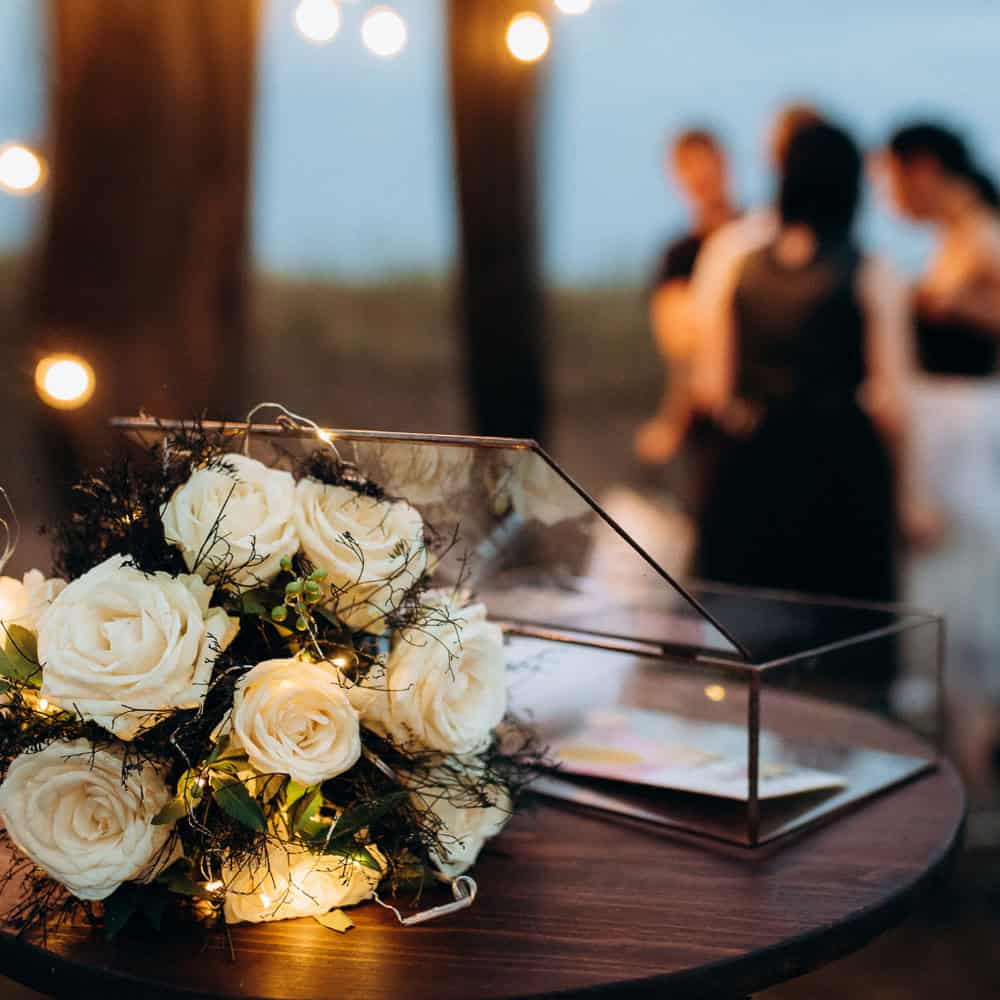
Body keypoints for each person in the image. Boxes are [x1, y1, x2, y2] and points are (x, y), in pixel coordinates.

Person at [692, 122, 912, 620]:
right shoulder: (871, 271)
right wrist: (908, 498)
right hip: (842, 474)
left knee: (747, 632)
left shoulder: (737, 265)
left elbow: (712, 389)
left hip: (748, 471)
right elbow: (890, 403)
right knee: (844, 639)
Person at [883, 122, 1000, 787]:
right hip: (951, 438)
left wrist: (953, 306)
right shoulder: (958, 238)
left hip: (967, 442)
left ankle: (972, 783)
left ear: (923, 168)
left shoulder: (981, 233)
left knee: (967, 605)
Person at [635, 129, 738, 467]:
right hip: (708, 417)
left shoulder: (756, 237)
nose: (699, 177)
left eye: (705, 165)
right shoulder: (678, 256)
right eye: (687, 168)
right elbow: (679, 345)